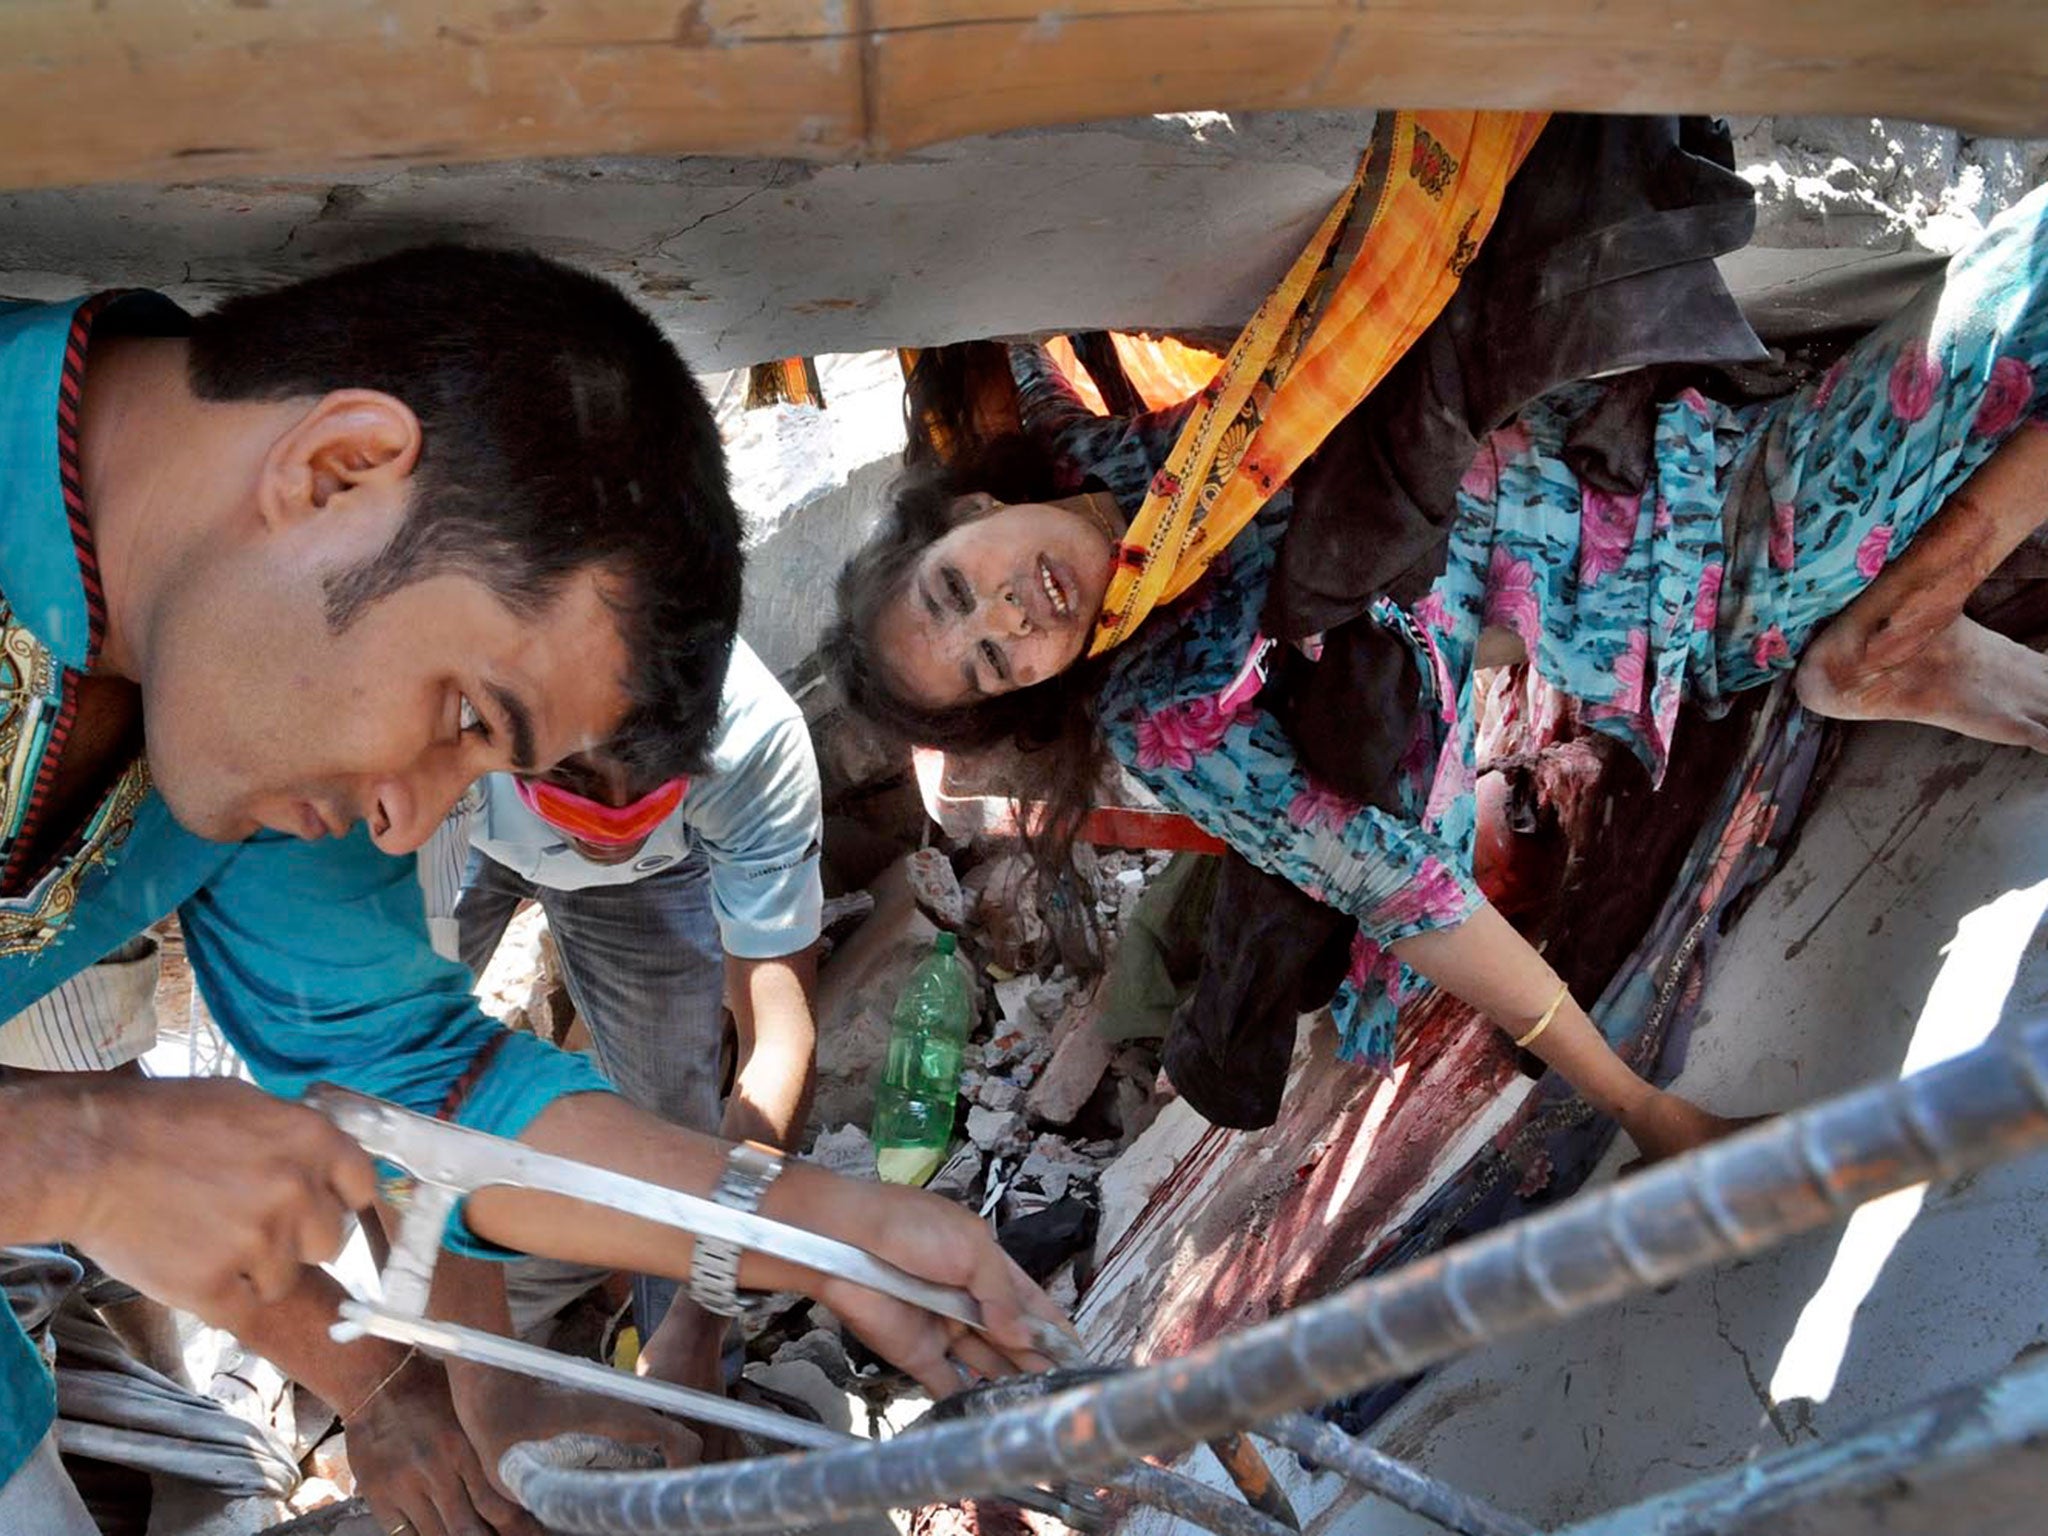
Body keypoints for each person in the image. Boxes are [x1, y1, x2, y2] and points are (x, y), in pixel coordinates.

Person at [0, 247, 1059, 1536]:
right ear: (336, 471)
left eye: (482, 761)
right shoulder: (253, 677)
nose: (405, 817)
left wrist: (821, 1228)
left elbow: (410, 1082)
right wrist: (68, 1151)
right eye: (460, 713)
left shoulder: (240, 688)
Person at [827, 185, 2048, 1168]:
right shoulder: (1167, 709)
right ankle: (1885, 635)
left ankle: (1888, 640)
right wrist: (1641, 1108)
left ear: (971, 509)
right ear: (1029, 689)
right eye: (995, 662)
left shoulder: (1110, 455)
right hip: (1737, 553)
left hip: (1688, 426)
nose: (1007, 612)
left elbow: (992, 248)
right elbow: (1402, 890)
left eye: (955, 586)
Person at [423, 634, 823, 1393]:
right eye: (572, 779)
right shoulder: (430, 716)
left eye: (640, 787)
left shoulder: (754, 741)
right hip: (458, 818)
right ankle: (404, 1342)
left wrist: (701, 1317)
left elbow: (779, 1036)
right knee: (374, 1068)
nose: (599, 824)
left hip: (651, 882)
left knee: (672, 1123)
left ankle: (694, 1387)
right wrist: (465, 1380)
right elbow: (384, 1056)